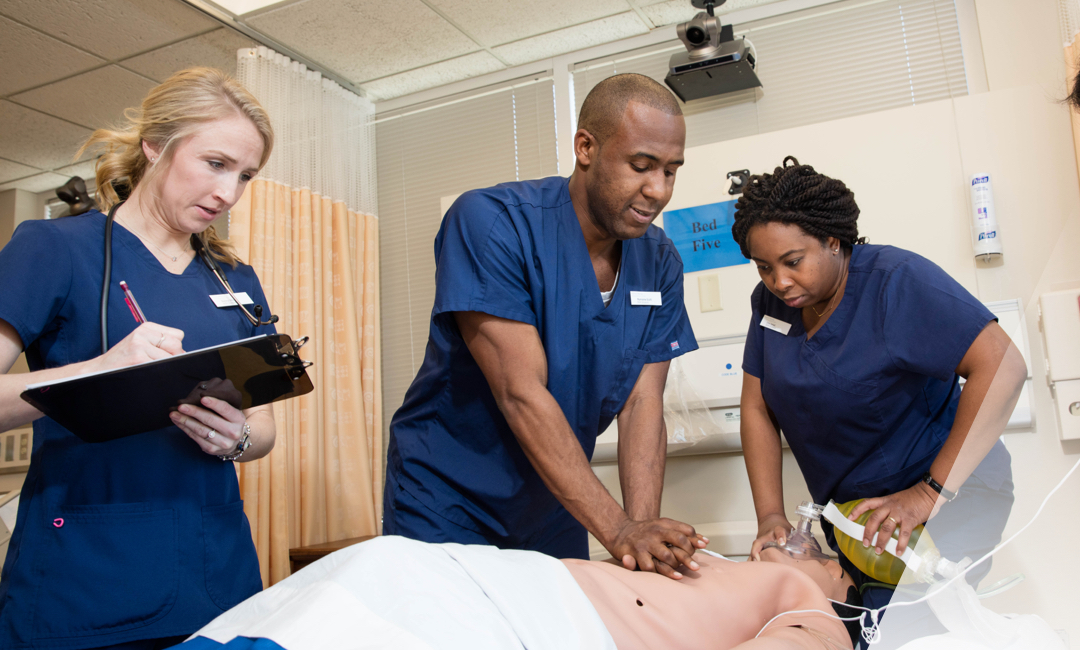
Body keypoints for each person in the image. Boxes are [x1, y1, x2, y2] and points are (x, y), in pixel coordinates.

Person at [0, 68, 279, 649]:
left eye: (245, 176)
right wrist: (98, 368)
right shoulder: (55, 248)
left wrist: (238, 440)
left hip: (216, 567)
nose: (229, 193)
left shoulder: (234, 278)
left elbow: (264, 424)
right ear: (155, 147)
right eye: (216, 163)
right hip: (89, 572)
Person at [384, 73, 704, 577]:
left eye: (670, 171)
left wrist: (642, 540)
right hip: (451, 496)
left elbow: (642, 403)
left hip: (557, 495)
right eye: (641, 166)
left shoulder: (659, 261)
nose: (658, 190)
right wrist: (618, 529)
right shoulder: (492, 223)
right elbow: (521, 392)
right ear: (586, 147)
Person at [730, 157, 1026, 618]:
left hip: (949, 497)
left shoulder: (895, 282)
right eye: (763, 267)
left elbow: (1004, 365)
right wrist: (770, 515)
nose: (779, 281)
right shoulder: (771, 303)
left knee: (909, 630)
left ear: (833, 241)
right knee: (859, 625)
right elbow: (758, 406)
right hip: (859, 521)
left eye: (792, 262)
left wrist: (929, 492)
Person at [187, 534, 857, 650]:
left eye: (825, 552)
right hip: (447, 580)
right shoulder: (725, 565)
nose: (800, 540)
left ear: (848, 587)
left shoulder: (806, 595)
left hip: (503, 617)